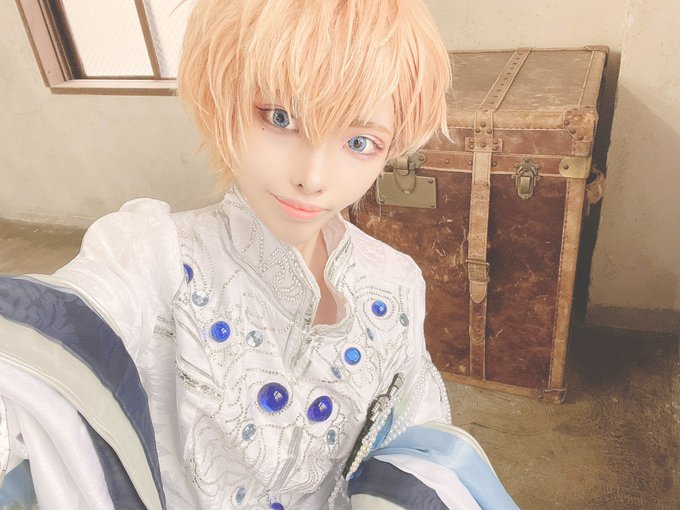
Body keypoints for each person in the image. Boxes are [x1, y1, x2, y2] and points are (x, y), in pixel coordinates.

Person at [0, 1, 519, 508]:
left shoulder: (396, 280)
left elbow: (411, 432)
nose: (313, 178)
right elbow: (38, 354)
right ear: (221, 97)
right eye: (281, 117)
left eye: (360, 142)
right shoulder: (151, 255)